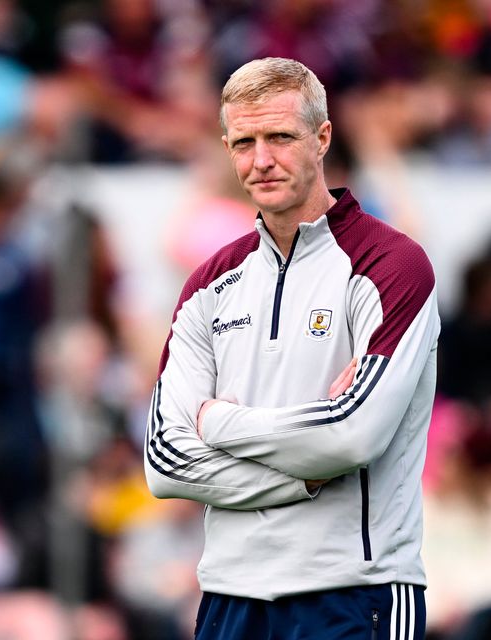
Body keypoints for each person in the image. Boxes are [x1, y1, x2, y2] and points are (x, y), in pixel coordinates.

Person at [144, 57, 440, 639]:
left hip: (357, 593)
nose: (262, 161)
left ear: (322, 137)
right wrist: (305, 476)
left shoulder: (392, 265)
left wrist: (221, 422)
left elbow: (352, 436)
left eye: (280, 137)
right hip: (230, 598)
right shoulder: (207, 284)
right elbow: (163, 461)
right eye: (245, 142)